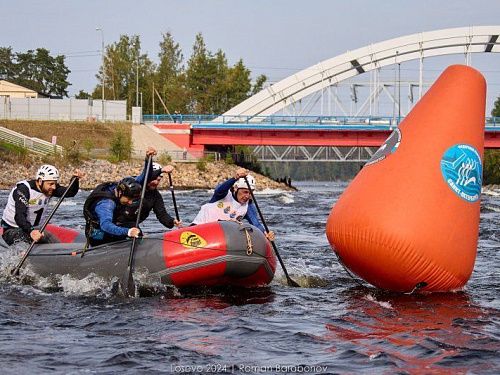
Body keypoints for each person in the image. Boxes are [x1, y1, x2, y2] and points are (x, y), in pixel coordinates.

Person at [83, 147, 156, 247]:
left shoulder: (124, 187)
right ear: (120, 193)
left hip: (113, 226)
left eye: (132, 199)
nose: (130, 202)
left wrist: (148, 159)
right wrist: (128, 232)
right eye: (129, 199)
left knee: (132, 225)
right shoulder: (106, 204)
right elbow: (105, 225)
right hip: (98, 235)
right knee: (131, 228)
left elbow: (145, 177)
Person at [1, 164, 84, 246]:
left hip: (35, 230)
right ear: (40, 181)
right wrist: (31, 231)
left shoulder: (49, 189)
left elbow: (70, 192)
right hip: (12, 230)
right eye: (51, 184)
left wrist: (75, 179)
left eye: (55, 183)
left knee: (53, 241)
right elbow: (19, 216)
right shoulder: (23, 190)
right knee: (42, 236)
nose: (54, 187)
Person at [192, 168, 275, 241]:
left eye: (250, 193)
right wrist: (235, 178)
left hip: (218, 238)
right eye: (245, 192)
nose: (247, 196)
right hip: (198, 229)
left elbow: (256, 224)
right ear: (235, 188)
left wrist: (265, 234)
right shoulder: (223, 194)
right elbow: (219, 190)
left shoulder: (248, 206)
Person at [137, 162, 182, 229]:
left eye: (158, 180)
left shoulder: (155, 195)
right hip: (119, 222)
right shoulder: (134, 185)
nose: (156, 182)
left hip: (132, 225)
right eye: (153, 179)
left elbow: (161, 214)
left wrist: (172, 221)